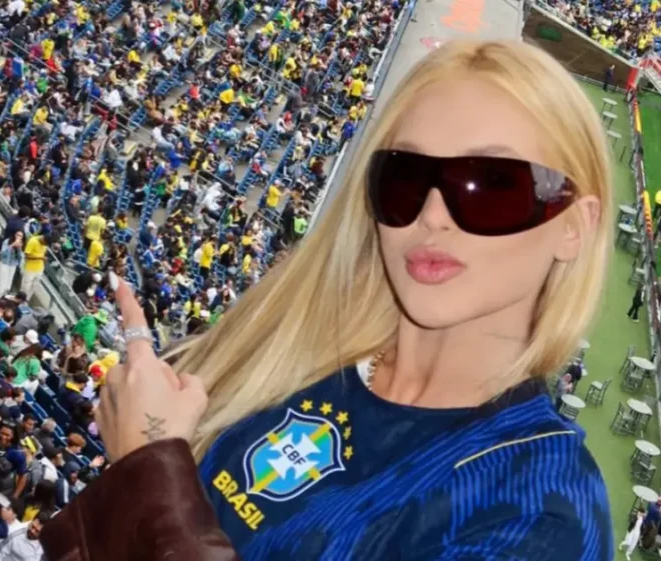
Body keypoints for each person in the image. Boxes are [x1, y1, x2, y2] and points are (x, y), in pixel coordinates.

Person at [39, 41, 613, 560]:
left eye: (492, 185)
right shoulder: (285, 346)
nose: (432, 216)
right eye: (405, 177)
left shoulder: (545, 510)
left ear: (574, 227)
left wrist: (148, 472)